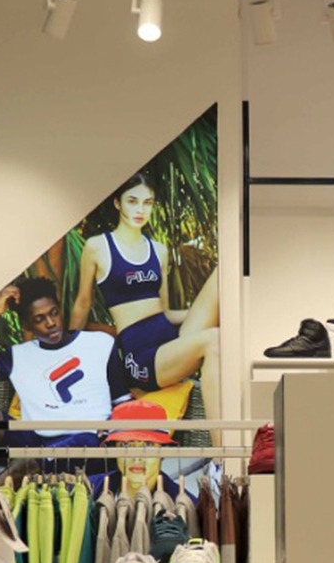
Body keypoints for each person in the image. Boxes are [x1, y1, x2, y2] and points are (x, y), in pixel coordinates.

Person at [69, 171, 221, 416]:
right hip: (142, 358)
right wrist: (67, 349)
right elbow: (83, 304)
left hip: (170, 341)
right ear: (117, 203)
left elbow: (165, 312)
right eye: (132, 201)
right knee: (214, 339)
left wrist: (208, 312)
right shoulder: (98, 247)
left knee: (223, 275)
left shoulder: (158, 251)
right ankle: (223, 443)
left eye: (147, 203)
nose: (140, 210)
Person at [0, 277, 127, 445]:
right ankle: (43, 458)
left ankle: (43, 459)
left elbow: (122, 400)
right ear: (26, 325)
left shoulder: (100, 343)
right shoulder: (16, 356)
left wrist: (110, 430)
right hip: (36, 439)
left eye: (54, 313)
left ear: (60, 309)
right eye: (39, 319)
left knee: (85, 439)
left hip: (90, 437)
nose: (51, 323)